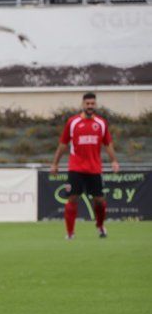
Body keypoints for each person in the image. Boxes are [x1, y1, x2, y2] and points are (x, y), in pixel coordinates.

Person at [51, 92, 121, 239]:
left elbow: (107, 144)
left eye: (92, 103)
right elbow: (63, 145)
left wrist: (114, 160)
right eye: (87, 104)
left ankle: (100, 226)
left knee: (100, 202)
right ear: (83, 105)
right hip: (76, 168)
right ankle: (70, 233)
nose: (90, 106)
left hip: (94, 169)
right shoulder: (73, 122)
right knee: (72, 199)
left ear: (95, 105)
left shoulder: (101, 123)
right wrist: (55, 163)